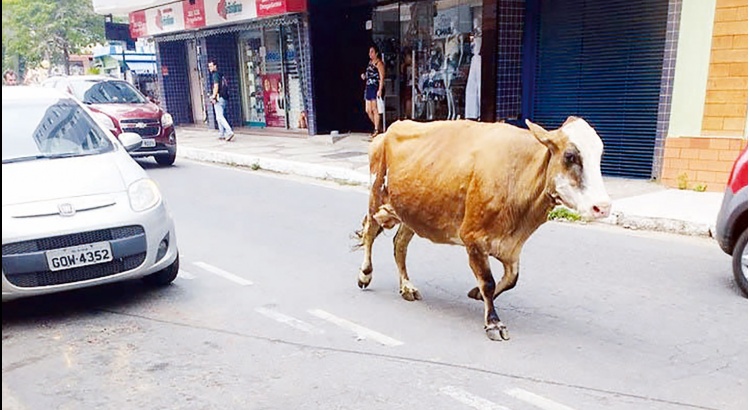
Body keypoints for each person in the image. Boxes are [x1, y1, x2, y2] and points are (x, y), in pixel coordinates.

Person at [361, 44, 385, 138]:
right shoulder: (370, 63)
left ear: (376, 53)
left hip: (375, 87)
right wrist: (364, 76)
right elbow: (369, 74)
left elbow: (382, 77)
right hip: (368, 87)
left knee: (375, 109)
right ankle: (377, 126)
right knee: (368, 110)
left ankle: (376, 129)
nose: (370, 54)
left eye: (372, 52)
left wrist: (380, 89)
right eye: (369, 52)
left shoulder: (379, 63)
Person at [207, 59, 234, 141]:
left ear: (215, 66)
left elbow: (216, 86)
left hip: (219, 98)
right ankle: (221, 133)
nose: (210, 68)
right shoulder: (220, 74)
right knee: (220, 116)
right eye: (209, 66)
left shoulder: (215, 75)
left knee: (219, 117)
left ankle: (229, 132)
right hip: (224, 97)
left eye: (211, 66)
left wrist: (213, 96)